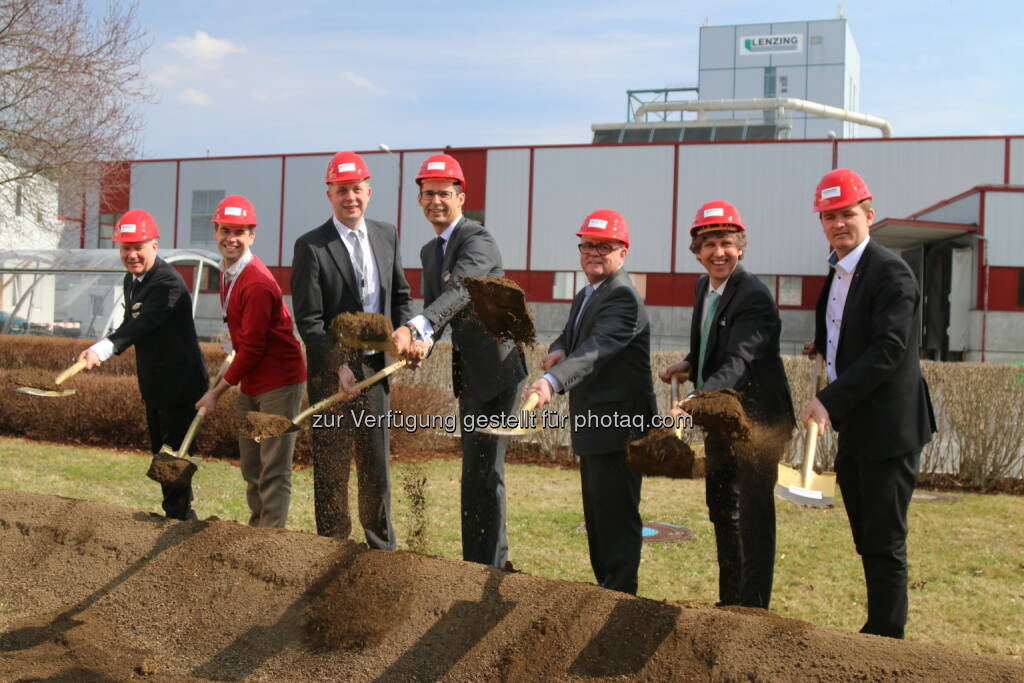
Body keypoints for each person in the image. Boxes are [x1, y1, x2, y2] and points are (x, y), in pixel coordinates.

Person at [801, 168, 936, 638]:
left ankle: (886, 636)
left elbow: (889, 350)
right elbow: (845, 325)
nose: (839, 223)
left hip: (889, 427)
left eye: (848, 214)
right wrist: (822, 344)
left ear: (869, 215)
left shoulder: (890, 272)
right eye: (830, 215)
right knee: (864, 529)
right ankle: (878, 626)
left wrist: (828, 400)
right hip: (857, 425)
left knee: (884, 538)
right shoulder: (838, 269)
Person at [391, 153, 526, 568]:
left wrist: (416, 327)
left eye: (444, 194)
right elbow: (440, 311)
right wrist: (422, 346)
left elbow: (462, 292)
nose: (435, 201)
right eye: (427, 194)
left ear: (460, 196)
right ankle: (474, 564)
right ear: (419, 200)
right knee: (473, 474)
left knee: (487, 474)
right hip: (471, 375)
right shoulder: (430, 252)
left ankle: (494, 567)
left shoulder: (477, 240)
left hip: (500, 374)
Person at [660, 200, 795, 609]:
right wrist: (690, 362)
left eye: (727, 243)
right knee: (721, 507)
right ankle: (729, 603)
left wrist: (694, 400)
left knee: (752, 514)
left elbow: (739, 360)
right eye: (709, 244)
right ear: (697, 251)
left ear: (741, 247)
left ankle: (753, 609)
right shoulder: (706, 287)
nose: (719, 252)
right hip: (722, 417)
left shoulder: (753, 295)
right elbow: (714, 346)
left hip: (758, 420)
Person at [524, 209, 656, 594]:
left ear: (623, 252)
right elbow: (572, 338)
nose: (594, 252)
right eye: (587, 245)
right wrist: (557, 351)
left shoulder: (623, 297)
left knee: (616, 516)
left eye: (604, 246)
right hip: (594, 424)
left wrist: (551, 381)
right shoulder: (588, 293)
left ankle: (619, 598)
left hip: (620, 427)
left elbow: (597, 350)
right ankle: (606, 590)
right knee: (598, 515)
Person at [291, 151, 413, 548]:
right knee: (332, 467)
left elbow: (401, 294)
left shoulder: (387, 234)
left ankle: (380, 549)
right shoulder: (311, 246)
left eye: (357, 189)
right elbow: (309, 321)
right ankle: (331, 548)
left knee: (375, 466)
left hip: (376, 371)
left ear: (369, 191)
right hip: (332, 377)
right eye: (341, 190)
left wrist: (408, 333)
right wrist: (339, 365)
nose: (350, 198)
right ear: (329, 194)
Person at [77, 209, 208, 521]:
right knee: (160, 455)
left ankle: (179, 519)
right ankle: (175, 514)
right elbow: (129, 322)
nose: (132, 254)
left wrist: (104, 348)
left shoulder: (168, 283)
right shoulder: (132, 279)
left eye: (139, 247)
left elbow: (143, 324)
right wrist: (102, 347)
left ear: (155, 245)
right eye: (126, 247)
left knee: (171, 458)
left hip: (181, 386)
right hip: (155, 385)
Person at [194, 195, 306, 528]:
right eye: (225, 230)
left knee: (272, 466)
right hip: (254, 379)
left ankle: (268, 540)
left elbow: (254, 348)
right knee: (252, 465)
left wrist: (216, 393)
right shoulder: (228, 272)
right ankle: (258, 527)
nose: (231, 238)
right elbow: (245, 341)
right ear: (215, 232)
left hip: (279, 382)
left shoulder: (256, 282)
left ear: (251, 236)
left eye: (239, 231)